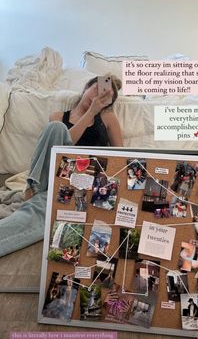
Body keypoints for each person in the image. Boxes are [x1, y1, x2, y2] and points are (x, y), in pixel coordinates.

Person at [0, 75, 123, 257]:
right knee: (56, 128)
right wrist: (90, 112)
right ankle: (32, 190)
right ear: (85, 88)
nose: (97, 96)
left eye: (105, 96)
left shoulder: (107, 118)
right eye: (96, 89)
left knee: (41, 207)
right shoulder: (58, 116)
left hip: (80, 182)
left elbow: (122, 156)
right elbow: (60, 150)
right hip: (50, 176)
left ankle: (37, 198)